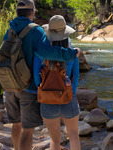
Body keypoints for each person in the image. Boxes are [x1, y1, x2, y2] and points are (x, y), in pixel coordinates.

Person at [4, 0, 79, 150]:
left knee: (16, 125)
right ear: (32, 12)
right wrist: (72, 54)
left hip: (10, 84)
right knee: (27, 131)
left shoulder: (10, 29)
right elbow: (47, 53)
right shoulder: (36, 30)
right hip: (28, 87)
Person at [34, 15, 81, 150]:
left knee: (54, 139)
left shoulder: (39, 54)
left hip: (47, 100)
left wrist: (41, 88)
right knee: (73, 135)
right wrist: (71, 91)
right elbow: (76, 75)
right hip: (67, 98)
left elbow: (37, 78)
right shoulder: (72, 54)